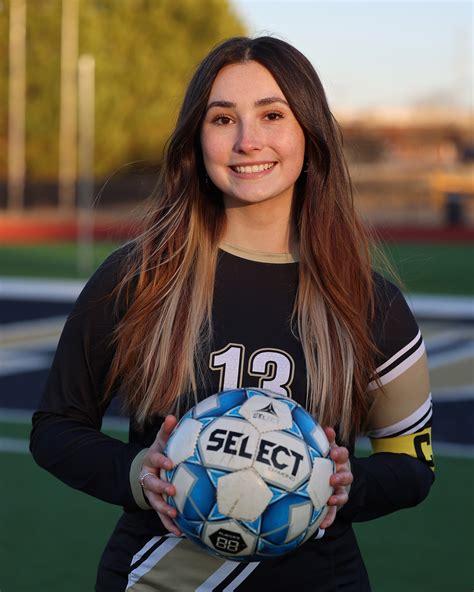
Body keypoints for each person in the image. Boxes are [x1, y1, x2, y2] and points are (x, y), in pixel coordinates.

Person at [30, 36, 434, 591]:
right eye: (223, 119)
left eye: (272, 114)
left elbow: (412, 464)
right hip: (159, 578)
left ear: (309, 134)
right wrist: (136, 473)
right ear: (197, 138)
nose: (248, 141)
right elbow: (56, 428)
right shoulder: (140, 277)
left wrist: (345, 484)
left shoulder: (367, 300)